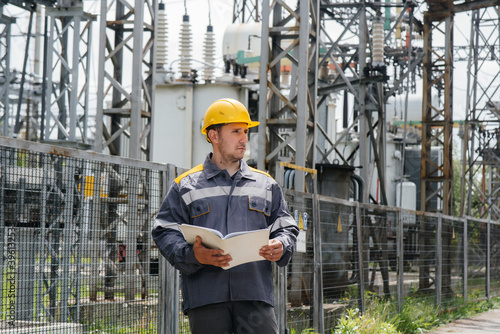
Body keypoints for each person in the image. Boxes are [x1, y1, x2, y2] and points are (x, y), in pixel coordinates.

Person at [152, 98, 299, 334]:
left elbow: (286, 226)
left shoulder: (266, 184)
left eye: (246, 131)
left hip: (254, 296)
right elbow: (164, 230)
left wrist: (282, 244)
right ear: (214, 136)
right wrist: (193, 255)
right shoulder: (185, 185)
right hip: (207, 297)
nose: (244, 138)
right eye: (236, 131)